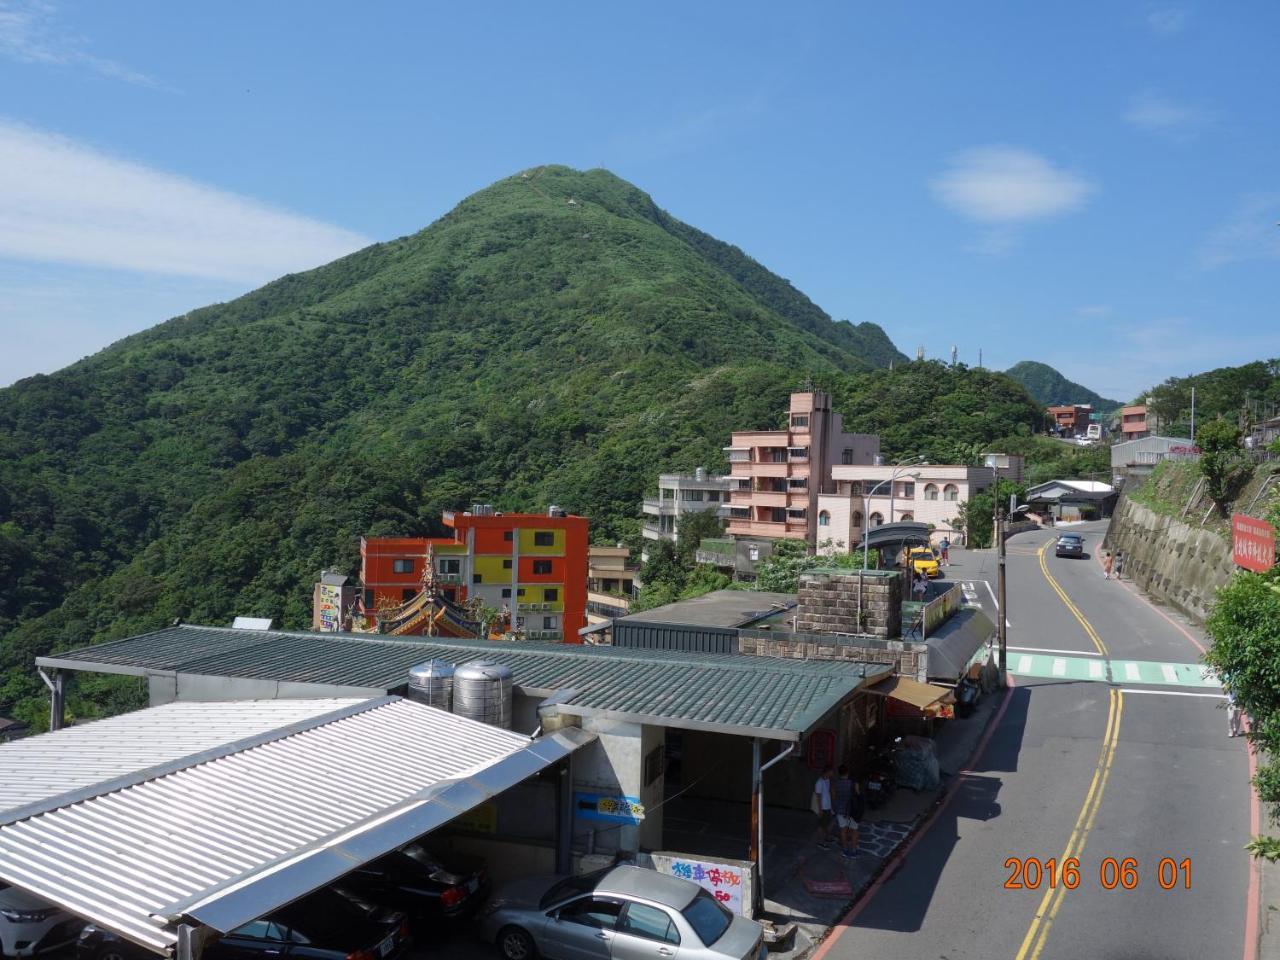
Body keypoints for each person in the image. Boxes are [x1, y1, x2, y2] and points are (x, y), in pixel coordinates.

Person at [833, 766, 864, 859]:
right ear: (847, 772)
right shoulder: (853, 784)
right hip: (852, 811)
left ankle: (845, 850)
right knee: (854, 831)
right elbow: (858, 796)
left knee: (843, 831)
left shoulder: (835, 784)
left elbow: (834, 797)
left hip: (840, 810)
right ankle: (854, 851)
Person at [813, 766, 835, 847]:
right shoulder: (819, 782)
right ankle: (821, 842)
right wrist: (820, 809)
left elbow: (829, 793)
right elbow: (818, 796)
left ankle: (827, 837)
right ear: (827, 772)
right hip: (823, 807)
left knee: (827, 823)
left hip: (828, 806)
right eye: (831, 771)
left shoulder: (828, 780)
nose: (833, 773)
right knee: (821, 825)